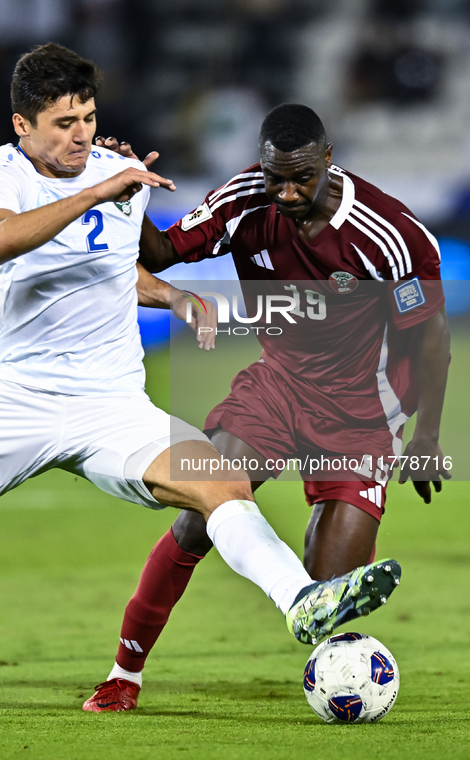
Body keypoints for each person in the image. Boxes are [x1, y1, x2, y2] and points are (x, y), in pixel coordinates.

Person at [0, 48, 401, 693]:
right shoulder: (5, 174)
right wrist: (98, 189)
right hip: (14, 399)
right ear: (23, 127)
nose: (81, 135)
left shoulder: (117, 171)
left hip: (113, 405)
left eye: (89, 118)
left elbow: (118, 268)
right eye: (64, 123)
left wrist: (172, 295)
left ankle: (301, 600)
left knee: (221, 484)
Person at [83, 104, 448, 712]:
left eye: (301, 177)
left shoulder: (390, 233)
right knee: (204, 508)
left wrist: (428, 436)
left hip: (364, 413)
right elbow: (162, 251)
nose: (286, 191)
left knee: (323, 597)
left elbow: (430, 336)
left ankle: (338, 669)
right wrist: (129, 195)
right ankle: (125, 673)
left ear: (329, 160)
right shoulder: (245, 198)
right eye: (276, 176)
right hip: (277, 388)